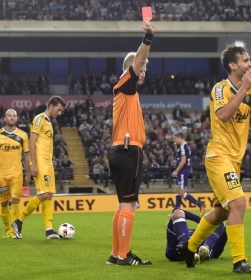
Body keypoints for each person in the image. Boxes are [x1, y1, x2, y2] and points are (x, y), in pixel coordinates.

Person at [178, 46, 251, 273]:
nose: (250, 64)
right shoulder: (221, 89)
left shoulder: (250, 92)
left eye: (249, 60)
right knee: (239, 203)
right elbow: (224, 115)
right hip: (218, 156)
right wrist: (245, 87)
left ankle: (189, 247)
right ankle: (239, 261)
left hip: (234, 160)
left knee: (222, 212)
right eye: (245, 60)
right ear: (233, 65)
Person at [106, 18, 154, 266]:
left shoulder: (128, 92)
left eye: (145, 70)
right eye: (141, 69)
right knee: (128, 204)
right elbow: (138, 61)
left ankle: (116, 254)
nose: (143, 72)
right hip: (128, 149)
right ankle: (124, 255)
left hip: (120, 149)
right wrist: (148, 38)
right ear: (130, 70)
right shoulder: (125, 84)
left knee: (123, 204)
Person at [12, 96, 66, 239]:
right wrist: (33, 164)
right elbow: (32, 142)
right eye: (58, 110)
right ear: (51, 106)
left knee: (49, 195)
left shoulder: (48, 122)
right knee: (43, 194)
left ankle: (49, 230)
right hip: (40, 161)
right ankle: (18, 221)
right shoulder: (39, 119)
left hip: (48, 162)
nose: (59, 113)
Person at [0, 109, 30, 238]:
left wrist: (28, 173)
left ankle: (15, 230)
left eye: (14, 116)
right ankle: (7, 229)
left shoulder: (23, 135)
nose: (12, 118)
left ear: (16, 119)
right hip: (2, 174)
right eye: (9, 115)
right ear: (5, 118)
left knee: (15, 200)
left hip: (17, 173)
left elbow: (27, 155)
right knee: (3, 203)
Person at [172, 132, 205, 216]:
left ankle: (200, 204)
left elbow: (183, 161)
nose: (175, 140)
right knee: (176, 189)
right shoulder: (182, 147)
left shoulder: (183, 147)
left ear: (179, 138)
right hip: (181, 171)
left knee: (182, 192)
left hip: (183, 171)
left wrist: (176, 171)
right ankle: (176, 209)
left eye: (175, 138)